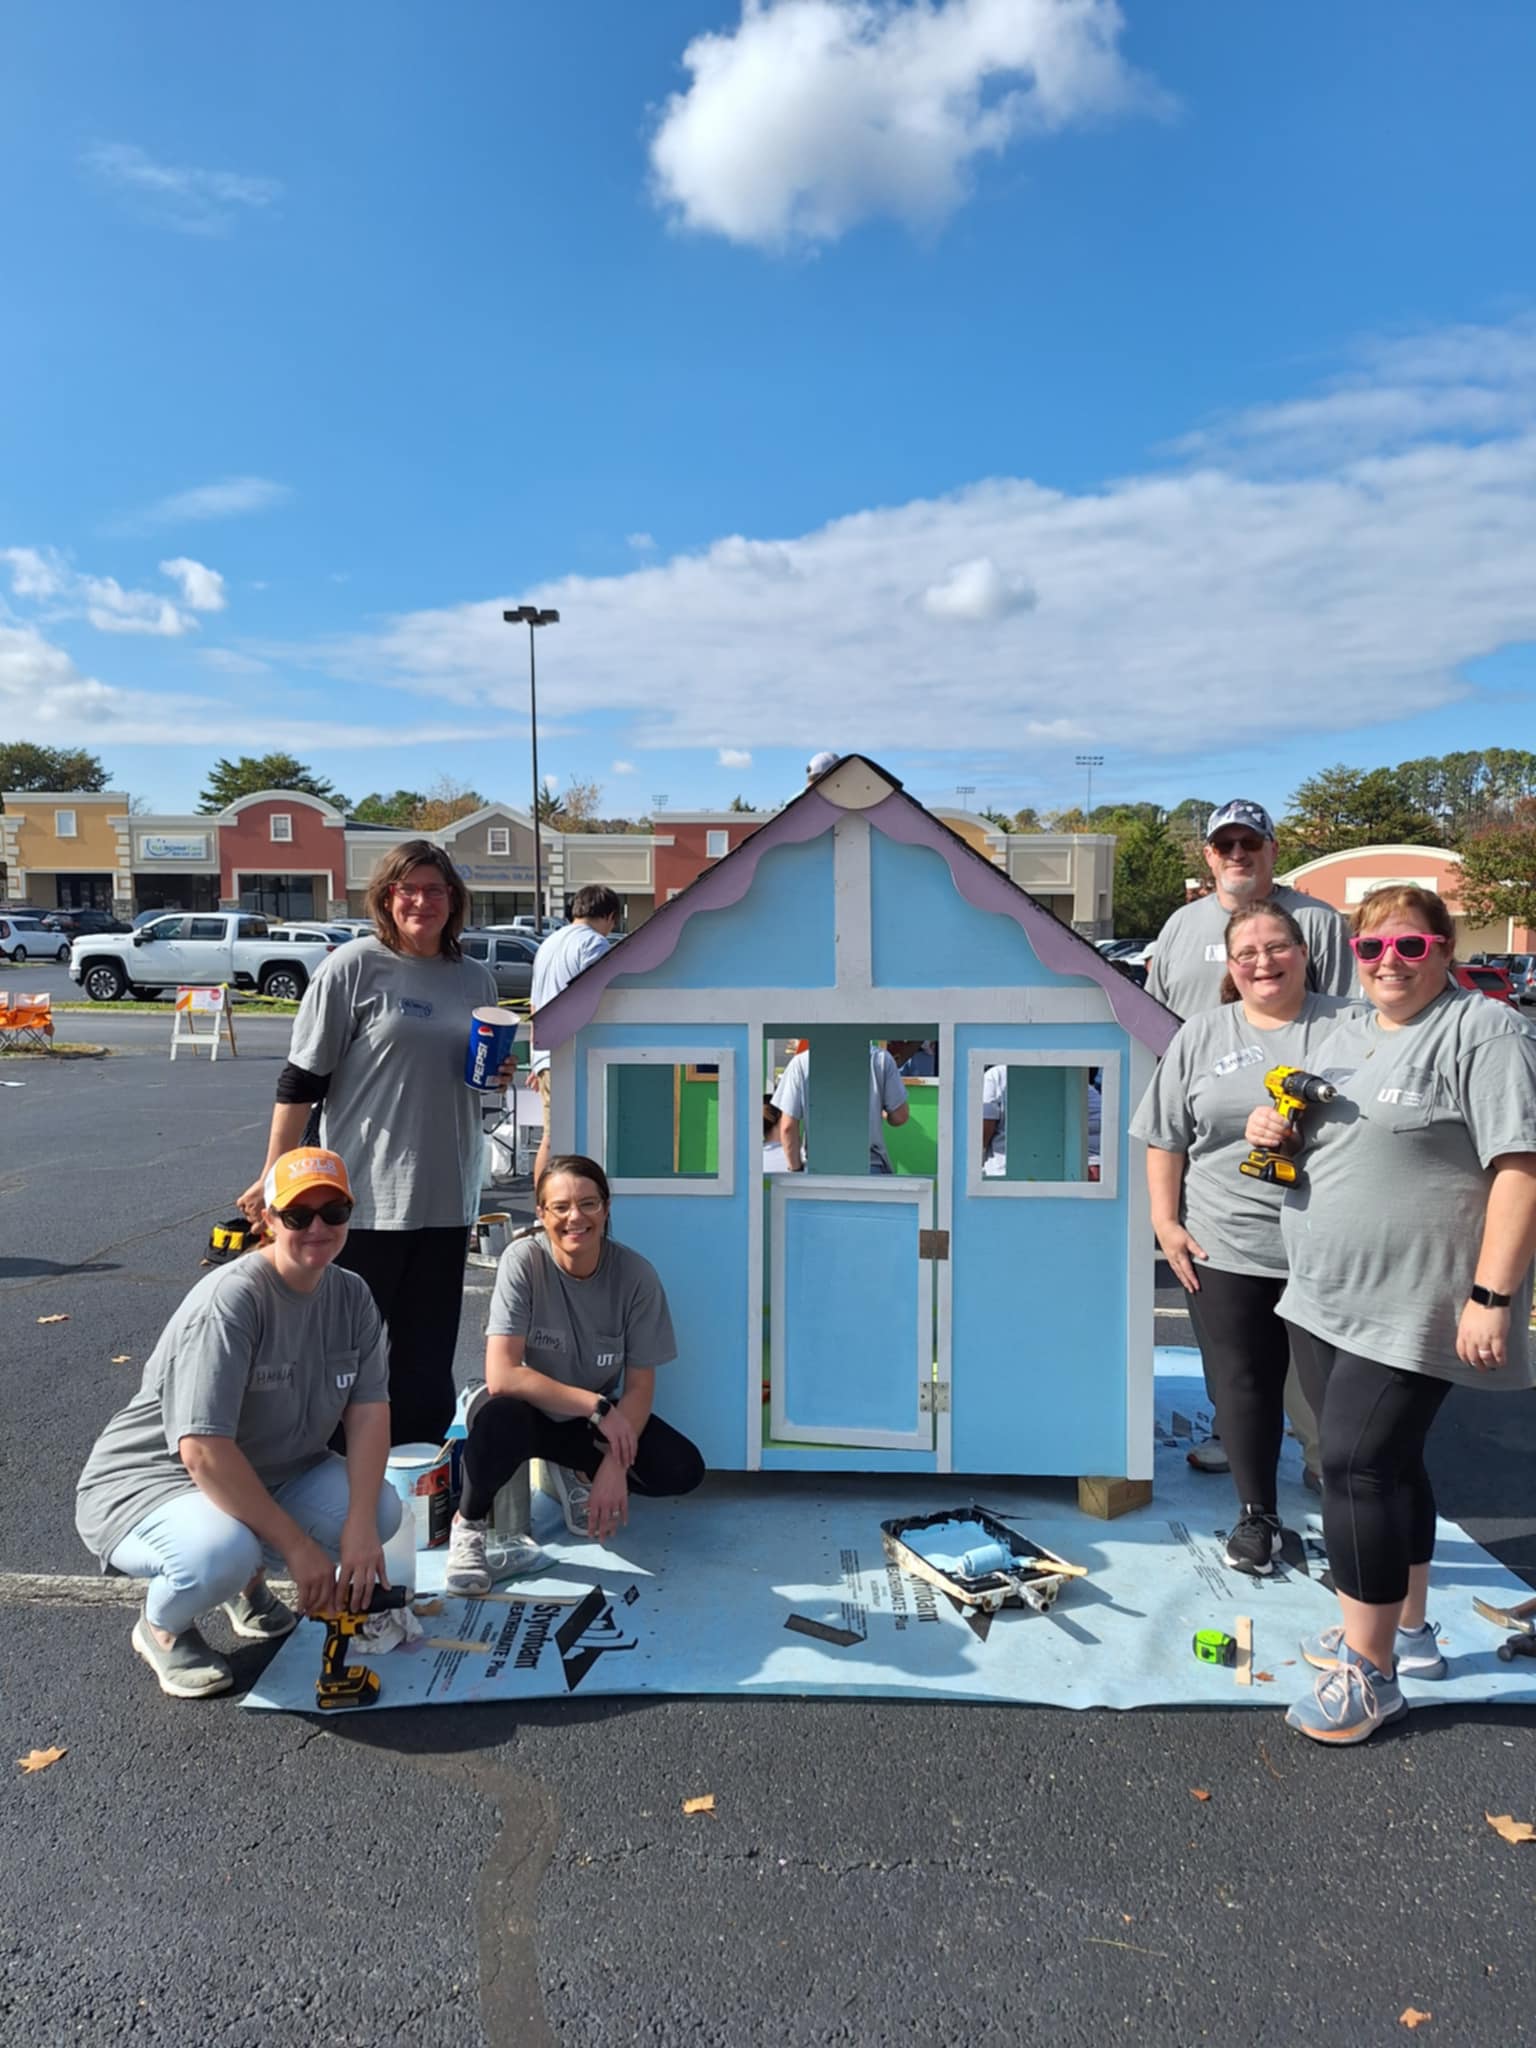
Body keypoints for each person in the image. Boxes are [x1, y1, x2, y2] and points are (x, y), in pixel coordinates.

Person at [1242, 886, 1536, 1743]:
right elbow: (1341, 1141)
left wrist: (1492, 1296)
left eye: (1411, 948)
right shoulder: (1348, 1036)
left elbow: (1519, 1168)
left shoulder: (1486, 1031)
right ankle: (1406, 1630)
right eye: (1373, 951)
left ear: (1444, 950)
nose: (1390, 965)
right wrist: (1279, 1133)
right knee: (1391, 1466)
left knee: (1355, 1467)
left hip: (1417, 1298)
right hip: (1326, 1290)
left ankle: (1370, 1676)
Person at [75, 1149, 400, 1700]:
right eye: (298, 1216)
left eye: (334, 1212)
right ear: (268, 1220)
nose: (317, 1228)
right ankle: (160, 1626)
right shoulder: (232, 1302)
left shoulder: (352, 1295)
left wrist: (362, 1528)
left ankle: (246, 1588)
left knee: (383, 1509)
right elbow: (201, 1450)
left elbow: (369, 1413)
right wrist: (297, 1548)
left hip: (272, 1470)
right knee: (220, 1553)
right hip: (155, 1480)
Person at [238, 840, 507, 1448]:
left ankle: (416, 1487)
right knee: (338, 1355)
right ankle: (322, 1479)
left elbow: (473, 1070)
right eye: (407, 889)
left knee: (426, 1360)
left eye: (435, 890)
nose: (421, 901)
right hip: (362, 1199)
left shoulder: (474, 976)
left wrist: (499, 1074)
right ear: (387, 898)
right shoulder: (354, 966)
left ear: (453, 900)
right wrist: (275, 1172)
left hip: (447, 1194)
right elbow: (302, 1078)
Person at [1131, 902, 1358, 1572]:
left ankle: (1355, 1528)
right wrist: (1166, 1223)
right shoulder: (1203, 1034)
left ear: (1303, 950)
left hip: (1329, 1249)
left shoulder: (1353, 1027)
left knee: (1339, 1397)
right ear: (1230, 966)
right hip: (1225, 1242)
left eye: (1277, 946)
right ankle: (1257, 1518)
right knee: (1244, 1385)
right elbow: (1165, 1135)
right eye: (1247, 953)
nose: (1264, 961)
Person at [445, 1156, 704, 1588]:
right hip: (527, 1410)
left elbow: (640, 1387)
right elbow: (503, 1374)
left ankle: (577, 1472)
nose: (575, 1217)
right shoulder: (523, 1260)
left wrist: (614, 1466)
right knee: (500, 1419)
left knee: (682, 1469)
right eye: (560, 1206)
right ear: (542, 1213)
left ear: (606, 1209)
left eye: (588, 1204)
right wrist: (598, 1408)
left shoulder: (636, 1276)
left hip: (587, 1420)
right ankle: (467, 1526)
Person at [1147, 801, 1353, 1019]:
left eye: (1250, 842)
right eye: (1224, 845)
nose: (1237, 854)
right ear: (1209, 855)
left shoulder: (1319, 921)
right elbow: (1150, 1016)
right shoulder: (1180, 923)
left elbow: (1346, 1017)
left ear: (1273, 850)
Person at [529, 885, 620, 1187]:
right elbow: (599, 999)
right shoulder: (593, 945)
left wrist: (535, 1059)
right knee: (567, 1139)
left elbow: (534, 1005)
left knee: (552, 1136)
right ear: (609, 916)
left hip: (545, 1053)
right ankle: (549, 1207)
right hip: (573, 1051)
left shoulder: (547, 944)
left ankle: (545, 1207)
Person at [773, 1042, 909, 1173]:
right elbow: (900, 1117)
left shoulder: (801, 1063)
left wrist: (795, 1169)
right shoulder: (881, 1059)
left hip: (819, 1170)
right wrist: (882, 1112)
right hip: (869, 1166)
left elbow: (788, 1127)